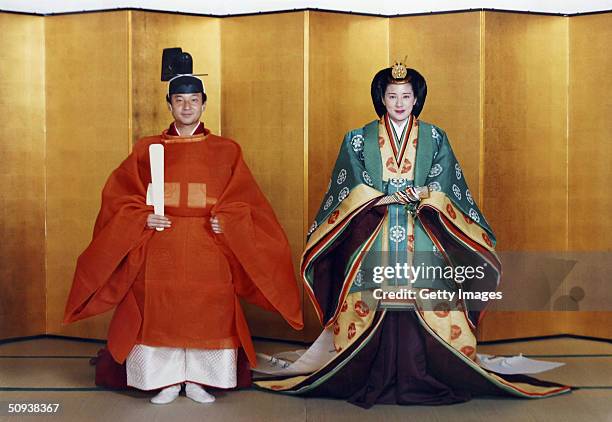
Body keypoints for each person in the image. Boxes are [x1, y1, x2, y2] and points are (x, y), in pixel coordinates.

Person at [255, 62, 570, 407]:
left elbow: (447, 181)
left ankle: (433, 366)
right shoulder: (358, 138)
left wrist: (424, 192)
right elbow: (349, 186)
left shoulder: (435, 136)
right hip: (376, 229)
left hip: (420, 228)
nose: (400, 102)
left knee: (433, 290)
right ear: (382, 98)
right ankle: (365, 365)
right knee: (367, 291)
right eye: (393, 96)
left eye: (407, 95)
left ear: (417, 98)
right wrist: (384, 197)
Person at [64, 49, 303, 404]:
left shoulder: (227, 150)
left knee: (210, 311)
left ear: (204, 104)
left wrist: (230, 222)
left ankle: (200, 380)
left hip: (210, 243)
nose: (187, 107)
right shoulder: (148, 148)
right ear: (170, 105)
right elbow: (119, 197)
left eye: (194, 100)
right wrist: (141, 217)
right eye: (180, 101)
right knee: (160, 310)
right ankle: (163, 380)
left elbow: (245, 200)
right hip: (161, 241)